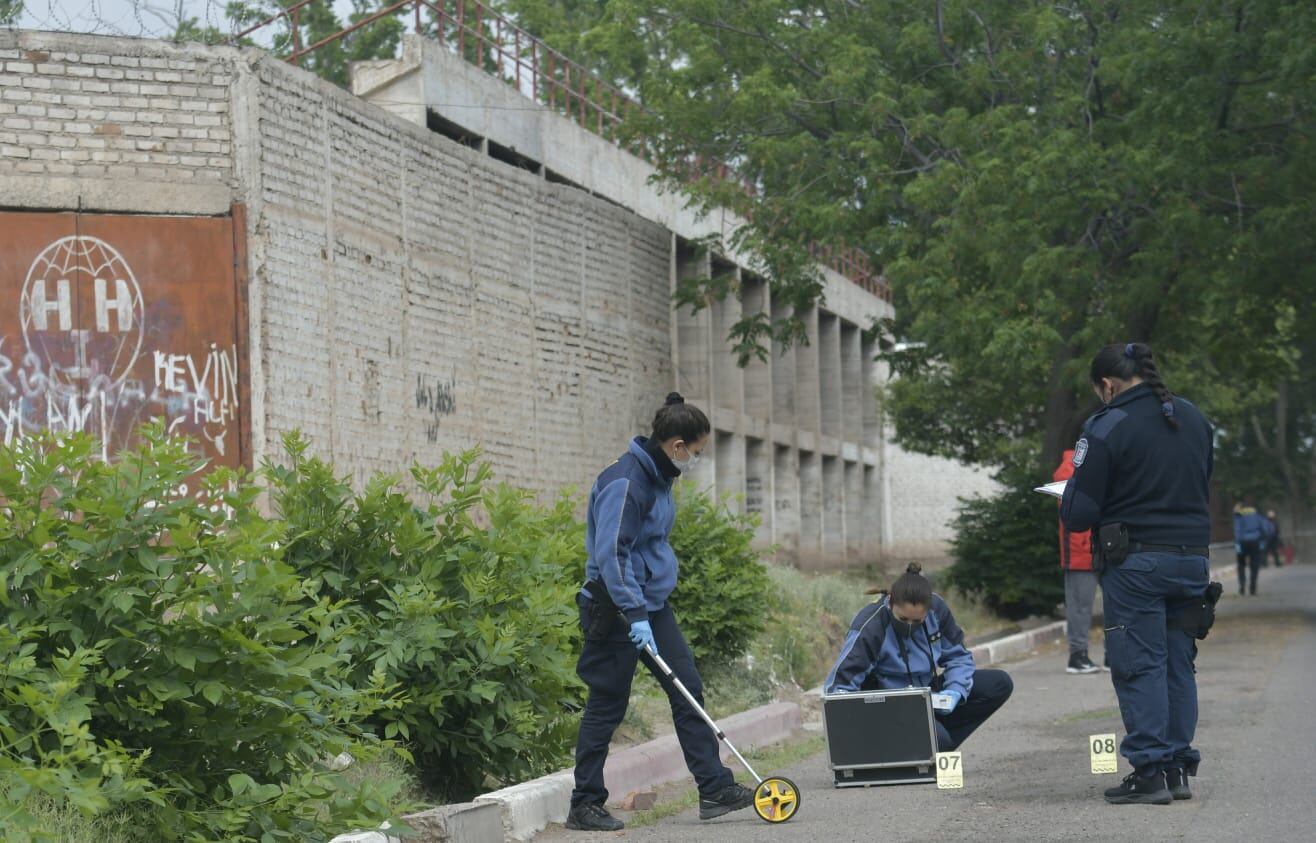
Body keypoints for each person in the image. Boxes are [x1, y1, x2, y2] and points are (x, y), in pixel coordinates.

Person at [566, 393, 754, 832]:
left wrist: (646, 610)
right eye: (698, 452)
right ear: (677, 446)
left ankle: (714, 788)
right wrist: (633, 614)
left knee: (688, 689)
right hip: (614, 608)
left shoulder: (659, 477)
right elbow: (613, 554)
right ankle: (584, 804)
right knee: (607, 706)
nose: (697, 460)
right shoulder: (627, 482)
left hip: (650, 607)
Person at [1061, 342, 1213, 806]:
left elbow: (1080, 513)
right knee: (1178, 662)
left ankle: (1149, 771)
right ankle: (1178, 768)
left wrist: (1071, 492)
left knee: (1139, 663)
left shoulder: (1106, 425)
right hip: (1192, 560)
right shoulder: (1194, 418)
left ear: (1107, 385)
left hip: (1137, 563)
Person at [823, 563, 1014, 753]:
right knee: (939, 741)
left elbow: (959, 657)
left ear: (928, 610)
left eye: (917, 621)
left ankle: (932, 745)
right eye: (903, 619)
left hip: (927, 694)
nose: (909, 626)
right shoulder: (870, 627)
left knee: (999, 683)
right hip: (889, 704)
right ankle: (932, 745)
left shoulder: (937, 610)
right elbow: (838, 688)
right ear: (890, 603)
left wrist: (954, 691)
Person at [1054, 449, 1103, 675]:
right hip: (1080, 551)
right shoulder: (1069, 467)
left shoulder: (1101, 461)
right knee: (1080, 607)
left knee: (1115, 603)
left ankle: (1113, 655)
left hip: (1104, 548)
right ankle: (1078, 656)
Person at [1233, 500, 1265, 595]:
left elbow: (1237, 529)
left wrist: (1237, 543)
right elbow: (1265, 529)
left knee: (1241, 564)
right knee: (1254, 565)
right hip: (1255, 542)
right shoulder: (1258, 516)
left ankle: (1242, 586)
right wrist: (1262, 540)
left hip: (1243, 542)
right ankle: (1253, 588)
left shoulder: (1239, 516)